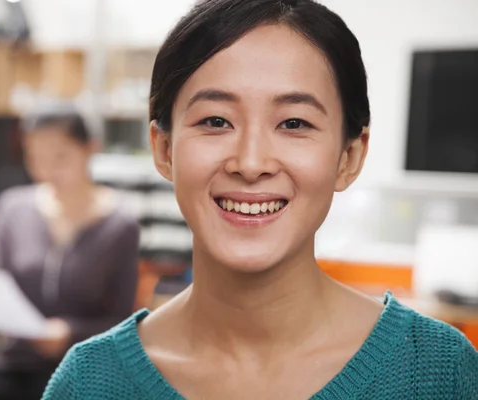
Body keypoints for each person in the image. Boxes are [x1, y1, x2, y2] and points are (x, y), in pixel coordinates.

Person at [42, 1, 478, 399]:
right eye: (215, 120)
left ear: (349, 156)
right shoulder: (88, 383)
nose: (250, 163)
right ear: (164, 149)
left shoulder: (436, 371)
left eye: (293, 122)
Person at [0, 111, 141, 399]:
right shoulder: (12, 209)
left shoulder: (120, 224)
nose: (46, 172)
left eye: (60, 158)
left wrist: (70, 333)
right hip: (10, 368)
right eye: (34, 159)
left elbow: (124, 319)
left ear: (90, 149)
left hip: (82, 373)